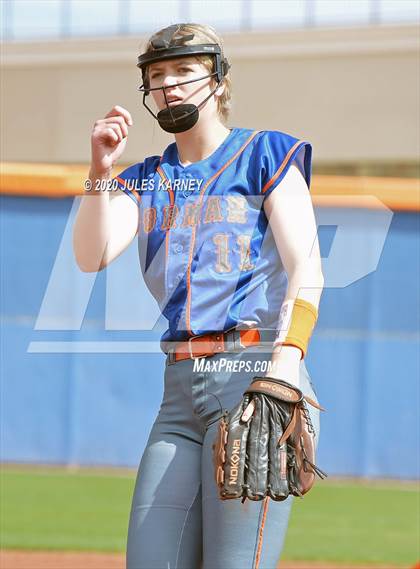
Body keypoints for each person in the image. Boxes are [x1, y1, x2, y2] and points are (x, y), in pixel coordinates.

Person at [73, 22, 324, 569]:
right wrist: (99, 170)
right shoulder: (144, 179)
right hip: (178, 395)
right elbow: (91, 255)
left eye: (185, 70)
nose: (170, 84)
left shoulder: (265, 155)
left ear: (218, 79)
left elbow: (308, 268)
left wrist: (286, 363)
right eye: (157, 75)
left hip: (253, 374)